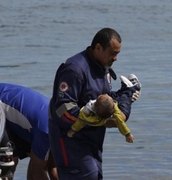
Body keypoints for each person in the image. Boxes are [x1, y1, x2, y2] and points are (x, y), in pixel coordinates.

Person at [49, 27, 141, 180]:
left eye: (117, 54)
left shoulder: (103, 68)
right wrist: (100, 120)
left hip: (92, 142)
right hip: (71, 141)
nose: (116, 58)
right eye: (113, 53)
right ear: (98, 47)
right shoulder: (75, 69)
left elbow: (104, 99)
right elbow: (62, 109)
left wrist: (124, 97)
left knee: (95, 175)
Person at [0, 83, 58, 180]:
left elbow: (53, 167)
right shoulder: (48, 131)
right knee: (5, 164)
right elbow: (35, 173)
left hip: (16, 117)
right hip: (3, 105)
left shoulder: (62, 132)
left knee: (10, 162)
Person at [67, 93, 135, 143]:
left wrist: (73, 130)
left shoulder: (89, 108)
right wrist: (127, 134)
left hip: (94, 121)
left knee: (82, 119)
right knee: (122, 101)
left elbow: (80, 121)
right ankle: (129, 92)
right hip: (105, 119)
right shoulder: (114, 108)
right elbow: (121, 123)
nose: (106, 94)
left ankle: (128, 93)